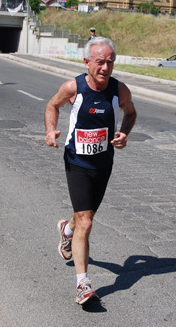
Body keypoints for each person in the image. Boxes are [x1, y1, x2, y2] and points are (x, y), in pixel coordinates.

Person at [44, 36, 137, 305]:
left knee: (82, 217)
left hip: (103, 162)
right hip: (77, 161)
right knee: (86, 220)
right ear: (86, 62)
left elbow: (130, 113)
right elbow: (52, 105)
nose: (105, 68)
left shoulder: (120, 90)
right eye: (99, 62)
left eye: (110, 62)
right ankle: (83, 284)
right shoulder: (73, 87)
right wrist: (51, 130)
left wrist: (124, 133)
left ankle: (66, 229)